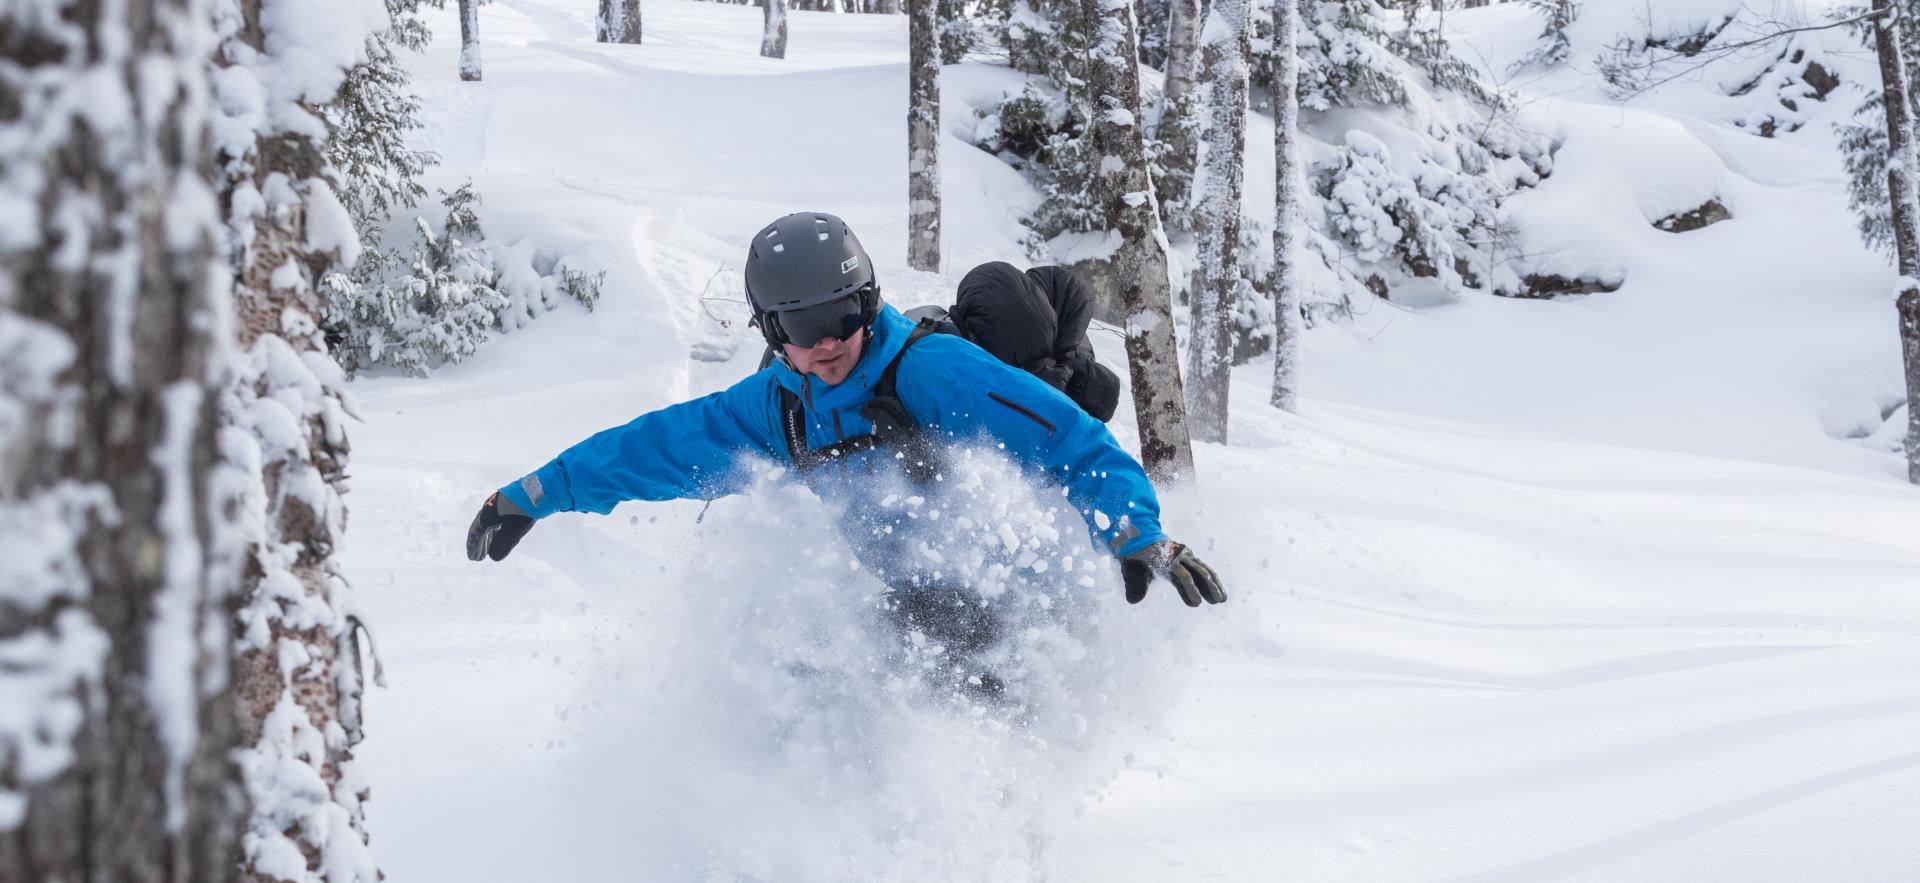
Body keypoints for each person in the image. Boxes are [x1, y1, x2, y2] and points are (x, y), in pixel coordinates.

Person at [465, 213, 1224, 684]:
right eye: (799, 327)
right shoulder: (775, 408)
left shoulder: (929, 370)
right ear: (771, 333)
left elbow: (1070, 441)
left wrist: (1136, 531)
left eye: (841, 316)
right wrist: (538, 492)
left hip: (1018, 605)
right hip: (907, 608)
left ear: (868, 303)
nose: (825, 343)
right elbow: (656, 446)